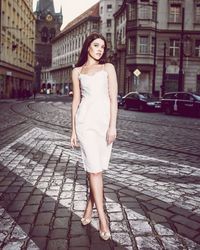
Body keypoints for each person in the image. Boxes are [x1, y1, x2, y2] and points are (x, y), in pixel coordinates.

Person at [70, 33, 118, 241]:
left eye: (102, 47)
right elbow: (76, 101)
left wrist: (112, 126)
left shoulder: (108, 68)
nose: (100, 50)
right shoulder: (77, 71)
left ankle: (89, 208)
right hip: (85, 123)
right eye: (96, 45)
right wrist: (73, 130)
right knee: (95, 171)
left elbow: (113, 98)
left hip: (104, 124)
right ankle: (103, 219)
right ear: (88, 46)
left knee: (96, 169)